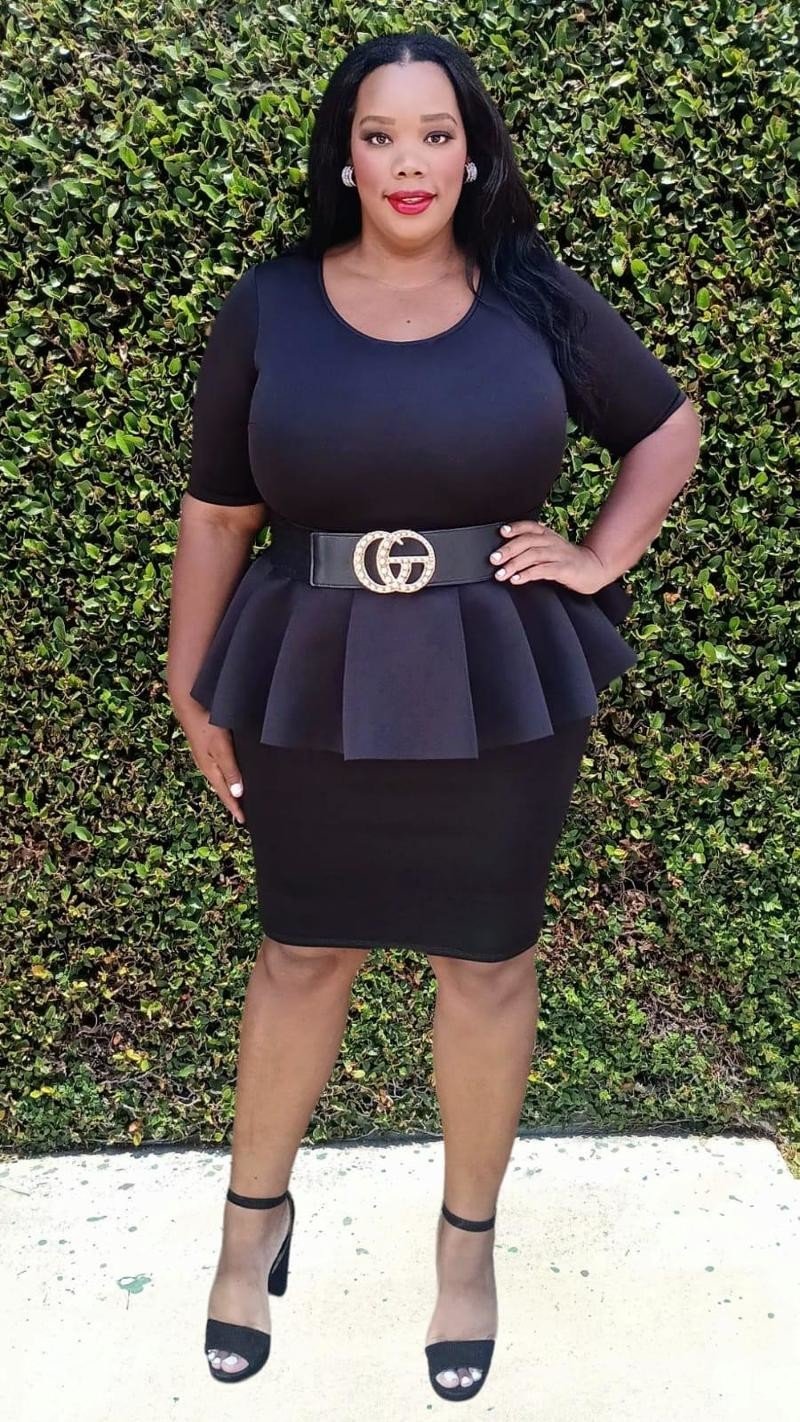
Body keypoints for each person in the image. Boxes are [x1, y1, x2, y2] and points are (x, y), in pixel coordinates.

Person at [166, 30, 701, 1402]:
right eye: (382, 134)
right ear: (345, 157)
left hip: (497, 678)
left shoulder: (534, 294)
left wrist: (600, 554)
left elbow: (665, 428)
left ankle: (467, 1254)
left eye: (437, 134)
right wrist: (190, 675)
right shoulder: (271, 304)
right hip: (307, 672)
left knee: (488, 964)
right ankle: (250, 1228)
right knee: (300, 955)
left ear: (473, 156)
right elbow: (219, 510)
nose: (410, 162)